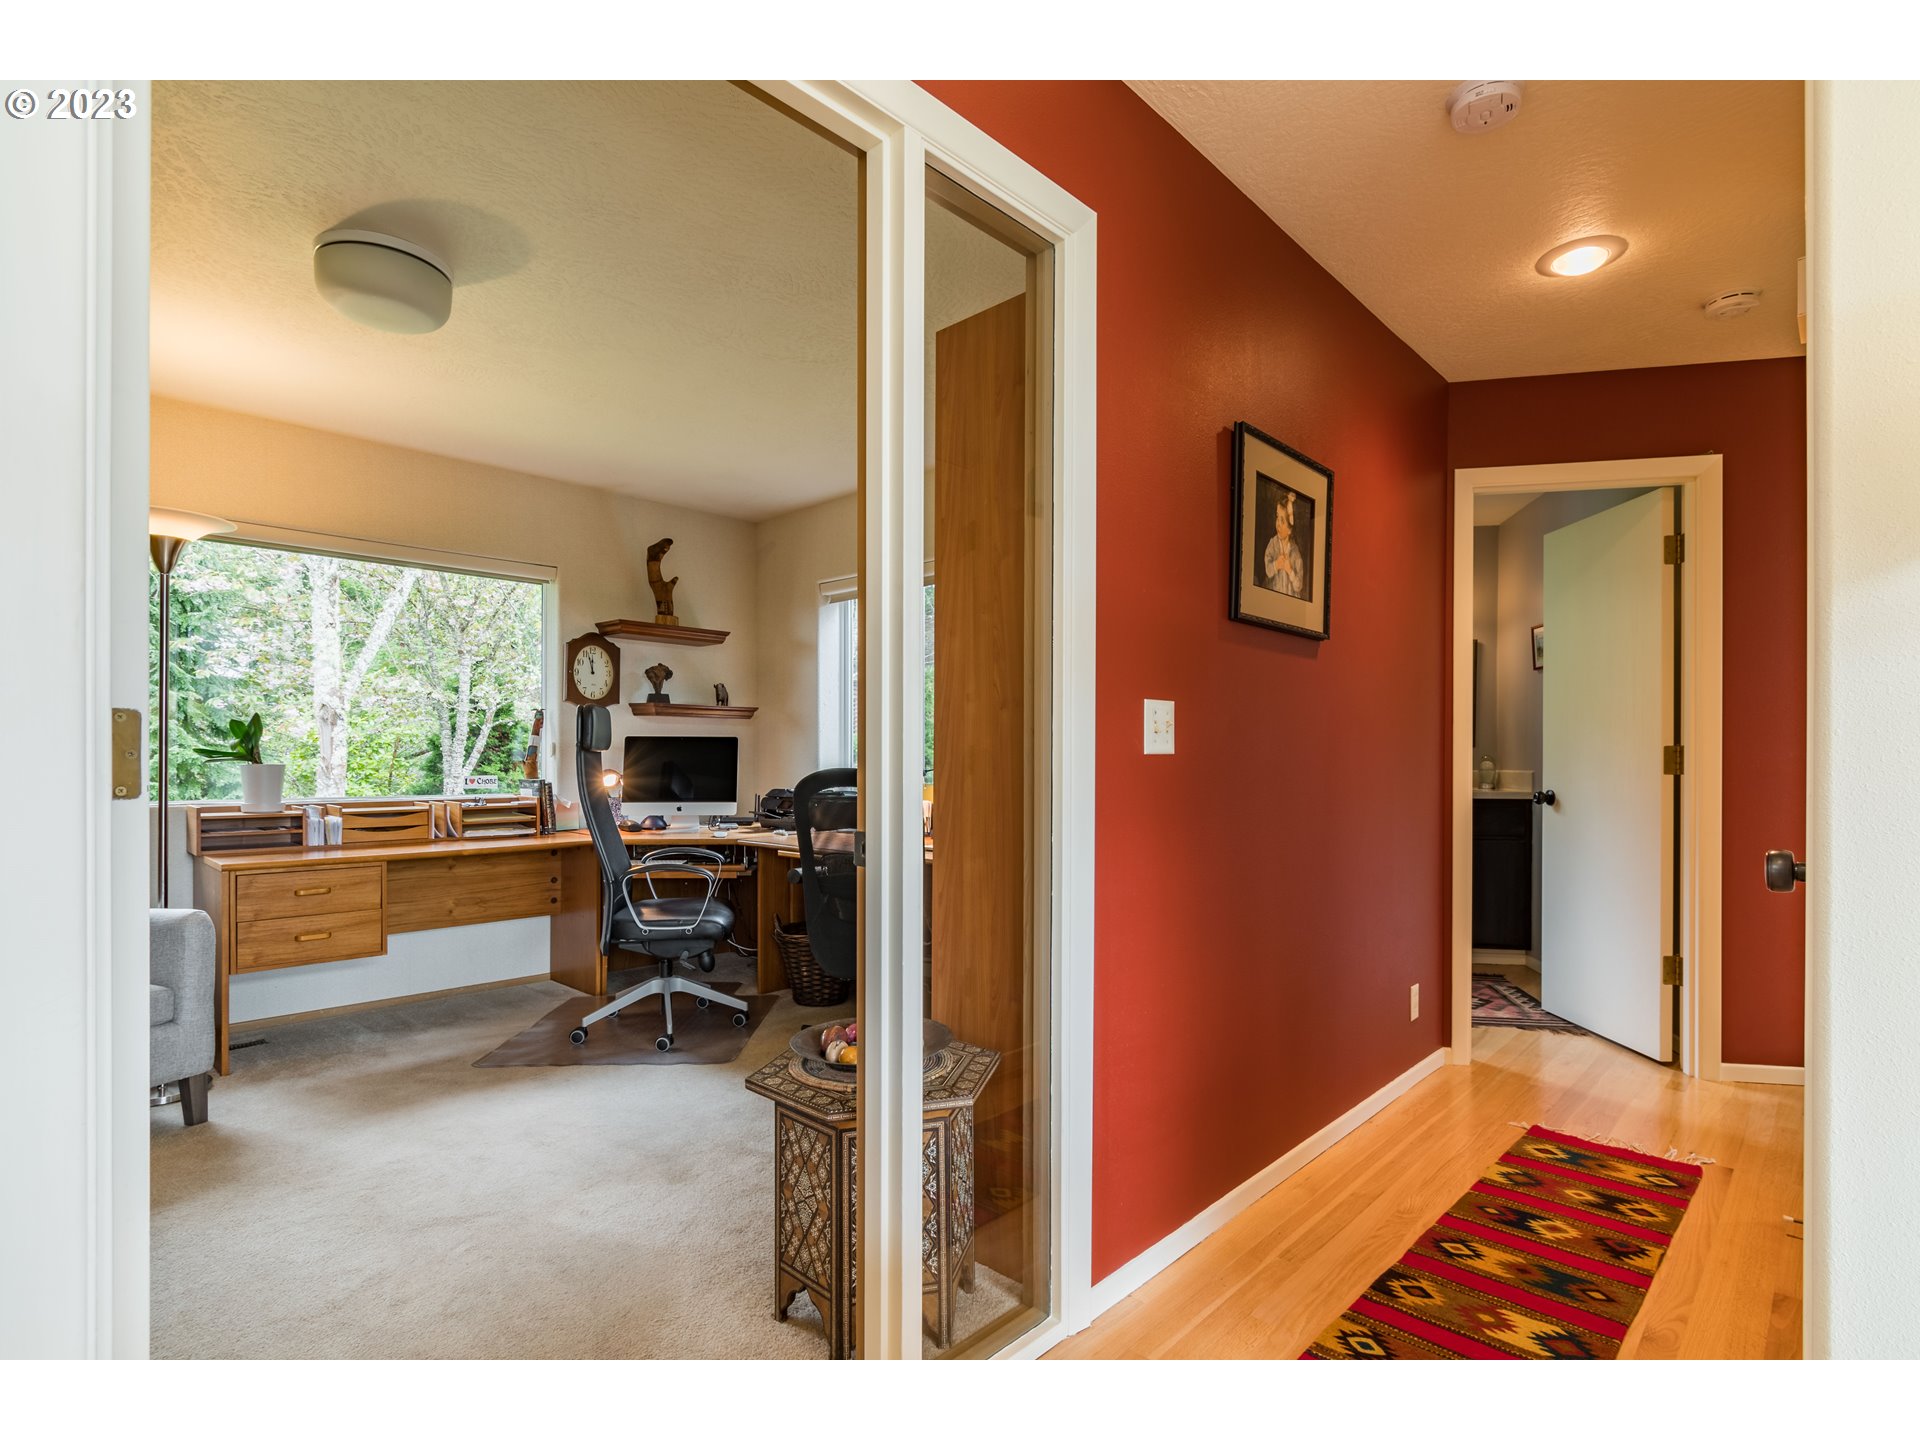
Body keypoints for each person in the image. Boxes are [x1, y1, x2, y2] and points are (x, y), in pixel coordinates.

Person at [1262, 490, 1306, 598]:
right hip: (1273, 599)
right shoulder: (1272, 543)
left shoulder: (1295, 552)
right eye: (1277, 517)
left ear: (1290, 530)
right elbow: (1268, 569)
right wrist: (1276, 564)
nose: (1278, 524)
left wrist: (1289, 570)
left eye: (1282, 521)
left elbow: (1299, 585)